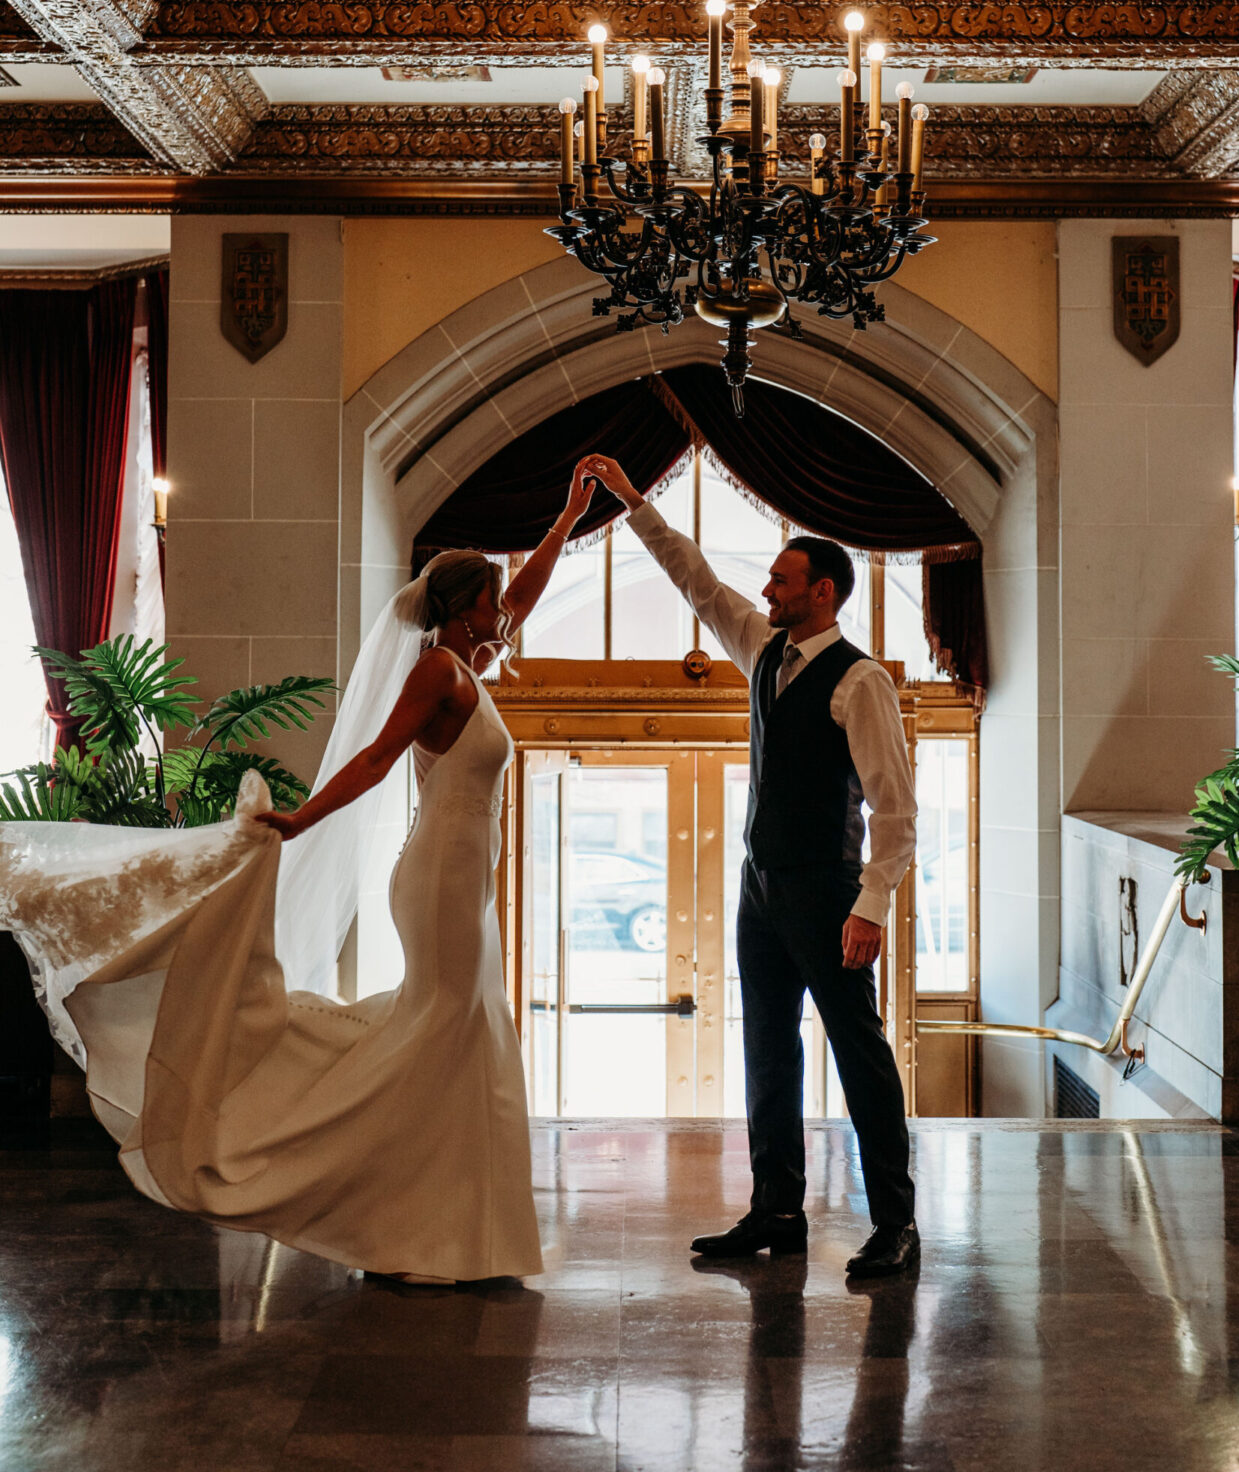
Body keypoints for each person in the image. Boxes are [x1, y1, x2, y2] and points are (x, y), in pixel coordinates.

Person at [0, 468, 599, 1286]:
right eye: (493, 604)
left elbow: (522, 598)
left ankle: (444, 1229)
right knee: (446, 1029)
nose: (506, 615)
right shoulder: (441, 674)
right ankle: (377, 1205)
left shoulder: (472, 660)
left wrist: (566, 517)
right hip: (439, 883)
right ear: (466, 611)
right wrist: (303, 819)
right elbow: (378, 759)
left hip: (468, 882)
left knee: (462, 1033)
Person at [582, 453, 919, 1279]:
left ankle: (897, 1225)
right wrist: (634, 504)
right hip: (761, 891)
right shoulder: (763, 651)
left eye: (781, 581)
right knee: (768, 1051)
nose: (766, 592)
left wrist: (871, 906)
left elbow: (898, 809)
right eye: (768, 582)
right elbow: (695, 579)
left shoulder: (860, 680)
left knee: (858, 1054)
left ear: (823, 593)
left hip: (829, 893)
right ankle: (777, 1209)